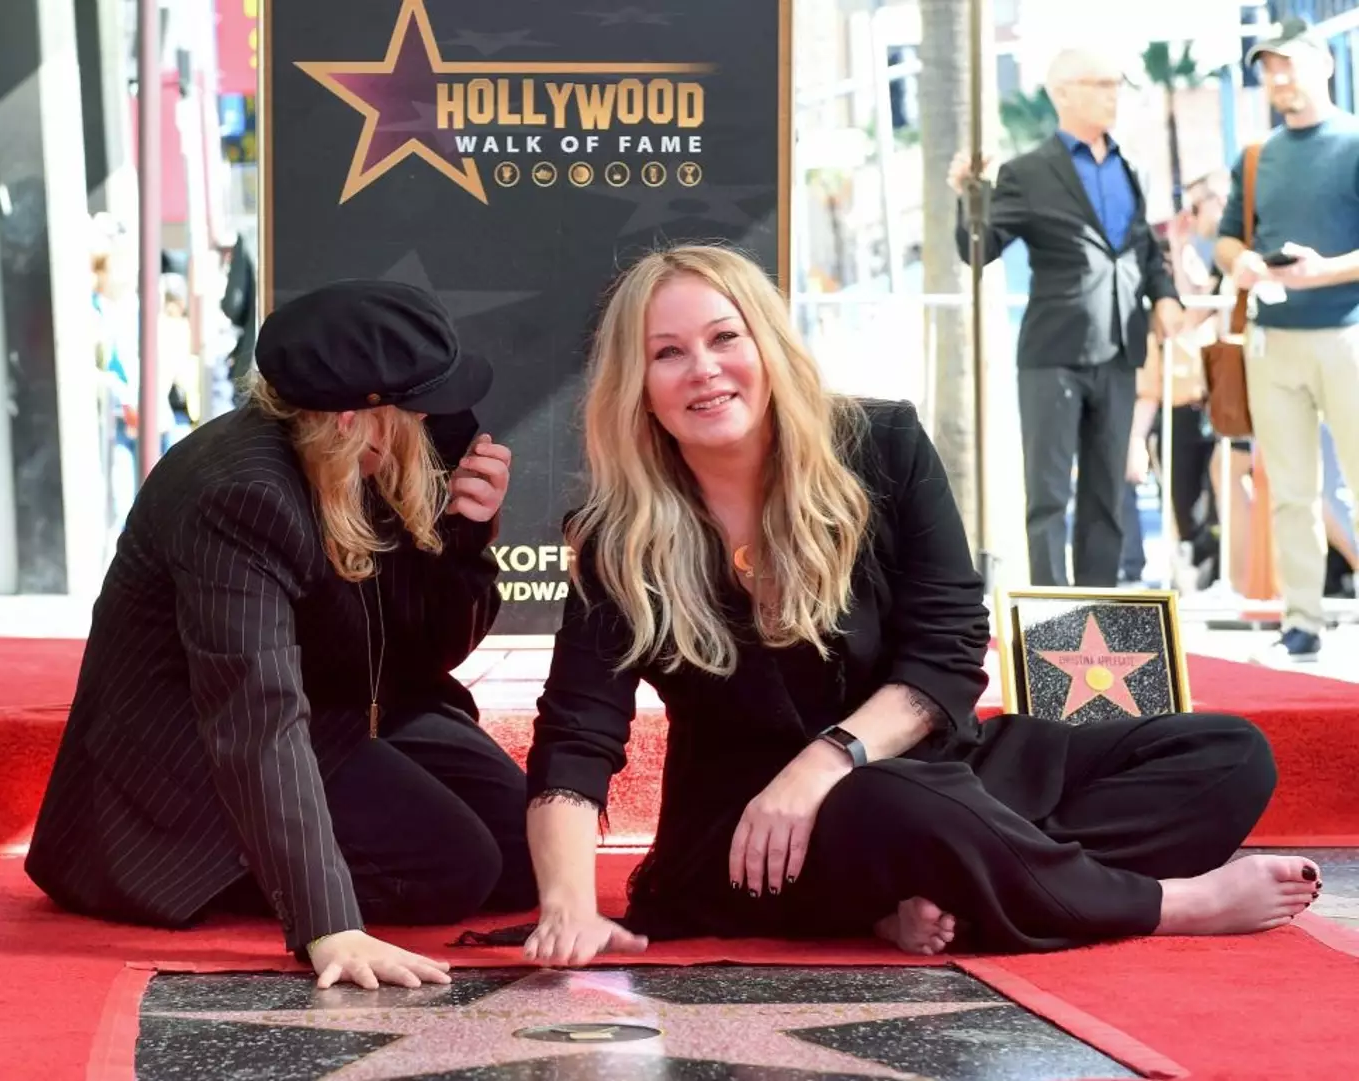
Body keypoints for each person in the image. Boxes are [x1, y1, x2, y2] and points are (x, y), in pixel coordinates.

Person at [520, 244, 1319, 966]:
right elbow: (576, 733)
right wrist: (568, 905)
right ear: (638, 389)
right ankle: (1160, 904)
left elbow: (948, 648)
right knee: (905, 802)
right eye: (667, 352)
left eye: (726, 337)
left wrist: (826, 758)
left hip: (928, 767)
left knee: (1228, 754)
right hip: (756, 839)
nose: (704, 368)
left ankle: (960, 886)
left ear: (769, 347)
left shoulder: (883, 444)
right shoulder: (618, 536)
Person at [26, 280, 536, 989]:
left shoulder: (375, 457)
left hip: (340, 714)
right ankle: (249, 871)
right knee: (457, 865)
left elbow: (421, 656)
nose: (439, 420)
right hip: (196, 767)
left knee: (528, 850)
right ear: (357, 418)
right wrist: (328, 925)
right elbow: (253, 714)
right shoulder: (240, 493)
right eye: (419, 405)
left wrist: (464, 539)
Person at [950, 47, 1184, 589]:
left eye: (1116, 84)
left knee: (1108, 495)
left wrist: (1166, 296)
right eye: (1099, 83)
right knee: (1049, 496)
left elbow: (1144, 250)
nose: (1112, 94)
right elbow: (978, 249)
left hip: (1120, 350)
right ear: (1061, 93)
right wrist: (970, 199)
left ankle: (1098, 608)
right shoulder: (1028, 172)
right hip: (1053, 354)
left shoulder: (1132, 168)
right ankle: (1051, 616)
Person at [1215, 16, 1359, 662]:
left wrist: (1324, 271)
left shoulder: (1353, 142)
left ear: (1324, 65)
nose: (1277, 78)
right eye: (1269, 68)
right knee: (1290, 489)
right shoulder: (1256, 156)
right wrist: (1242, 261)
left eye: (1288, 64)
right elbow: (1226, 239)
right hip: (1272, 340)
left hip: (1347, 332)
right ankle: (1302, 619)